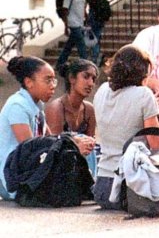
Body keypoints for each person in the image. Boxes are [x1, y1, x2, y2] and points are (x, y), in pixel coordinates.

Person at [92, 45, 159, 209]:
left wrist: (151, 109)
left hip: (102, 186)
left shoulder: (101, 91)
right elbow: (157, 144)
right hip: (128, 188)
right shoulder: (144, 94)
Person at [0, 56, 94, 199]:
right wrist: (73, 146)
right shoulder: (17, 106)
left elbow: (50, 139)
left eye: (54, 80)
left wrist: (74, 141)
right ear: (29, 82)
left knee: (81, 140)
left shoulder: (36, 104)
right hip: (13, 178)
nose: (53, 85)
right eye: (47, 80)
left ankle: (89, 186)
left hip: (29, 169)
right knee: (73, 146)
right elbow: (30, 151)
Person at [56, 0, 88, 73]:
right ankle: (86, 65)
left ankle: (60, 63)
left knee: (69, 46)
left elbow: (83, 8)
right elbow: (65, 10)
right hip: (73, 24)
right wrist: (66, 26)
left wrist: (86, 18)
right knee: (81, 46)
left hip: (80, 23)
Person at [85, 0, 107, 65]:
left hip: (92, 15)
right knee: (97, 37)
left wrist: (85, 16)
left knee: (92, 37)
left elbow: (85, 4)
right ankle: (96, 56)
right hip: (99, 17)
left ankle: (94, 58)